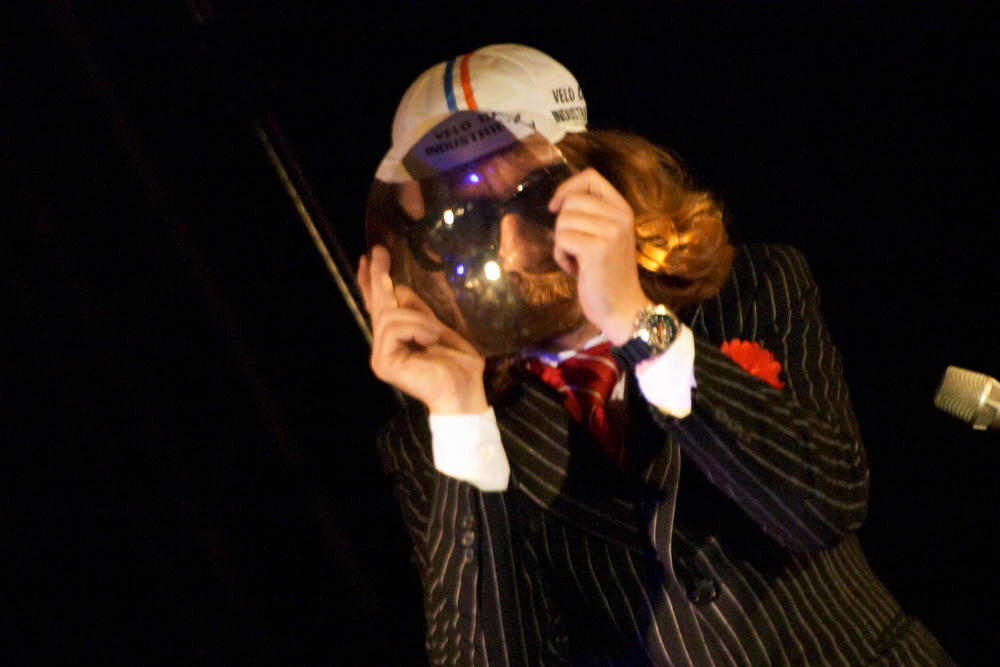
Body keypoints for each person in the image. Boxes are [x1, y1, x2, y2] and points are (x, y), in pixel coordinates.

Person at [357, 44, 953, 665]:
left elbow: (825, 507)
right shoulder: (436, 438)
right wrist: (461, 418)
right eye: (467, 221)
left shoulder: (751, 288)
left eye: (535, 196)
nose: (509, 247)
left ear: (599, 176)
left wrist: (637, 322)